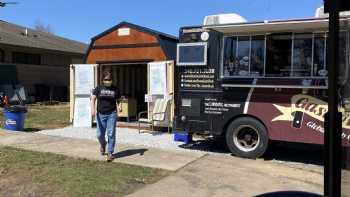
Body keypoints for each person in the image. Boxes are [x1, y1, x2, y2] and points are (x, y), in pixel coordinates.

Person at [91, 71, 121, 162]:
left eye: (109, 79)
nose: (108, 81)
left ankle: (110, 153)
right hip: (100, 114)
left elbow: (118, 100)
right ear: (103, 79)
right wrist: (93, 109)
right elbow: (93, 99)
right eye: (106, 79)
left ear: (112, 80)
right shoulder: (98, 88)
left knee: (111, 133)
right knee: (99, 134)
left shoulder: (115, 89)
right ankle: (103, 144)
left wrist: (119, 106)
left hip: (112, 113)